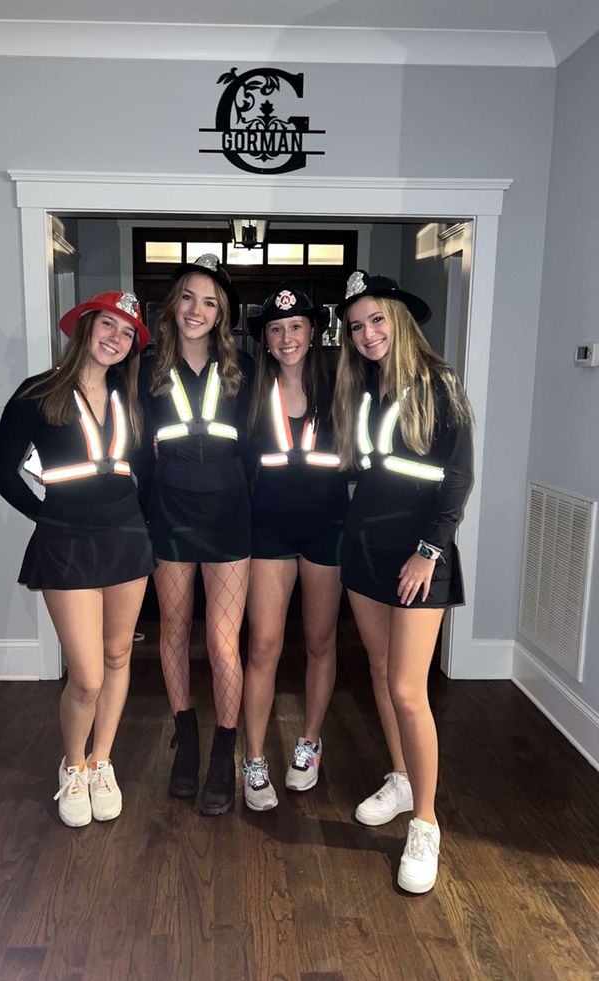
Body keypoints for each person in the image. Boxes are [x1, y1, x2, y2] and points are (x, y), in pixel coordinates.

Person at [0, 291, 153, 828]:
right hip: (68, 542)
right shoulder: (39, 392)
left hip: (127, 538)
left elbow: (142, 467)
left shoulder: (129, 395)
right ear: (84, 326)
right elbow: (0, 470)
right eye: (108, 324)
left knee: (118, 657)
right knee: (84, 676)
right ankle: (73, 764)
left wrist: (137, 517)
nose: (116, 338)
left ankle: (102, 761)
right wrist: (48, 518)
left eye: (127, 334)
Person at [333, 270, 473, 893]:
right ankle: (400, 777)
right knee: (378, 670)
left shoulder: (438, 384)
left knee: (407, 688)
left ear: (400, 320)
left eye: (377, 320)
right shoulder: (359, 385)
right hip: (364, 548)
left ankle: (425, 822)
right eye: (357, 326)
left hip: (420, 554)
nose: (367, 334)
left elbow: (457, 480)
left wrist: (427, 551)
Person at [141, 254, 253, 816]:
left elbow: (259, 445)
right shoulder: (144, 367)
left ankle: (223, 751)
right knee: (174, 630)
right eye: (189, 297)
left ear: (222, 314)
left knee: (221, 641)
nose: (197, 310)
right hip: (169, 510)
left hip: (229, 513)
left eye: (210, 302)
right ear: (173, 304)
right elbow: (134, 445)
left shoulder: (244, 367)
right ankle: (186, 742)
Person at [241, 283, 348, 811]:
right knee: (262, 645)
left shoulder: (341, 385)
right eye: (277, 329)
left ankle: (309, 742)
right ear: (265, 339)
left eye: (296, 327)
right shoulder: (249, 392)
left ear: (313, 332)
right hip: (269, 532)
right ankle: (254, 757)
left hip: (327, 530)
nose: (287, 337)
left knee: (320, 642)